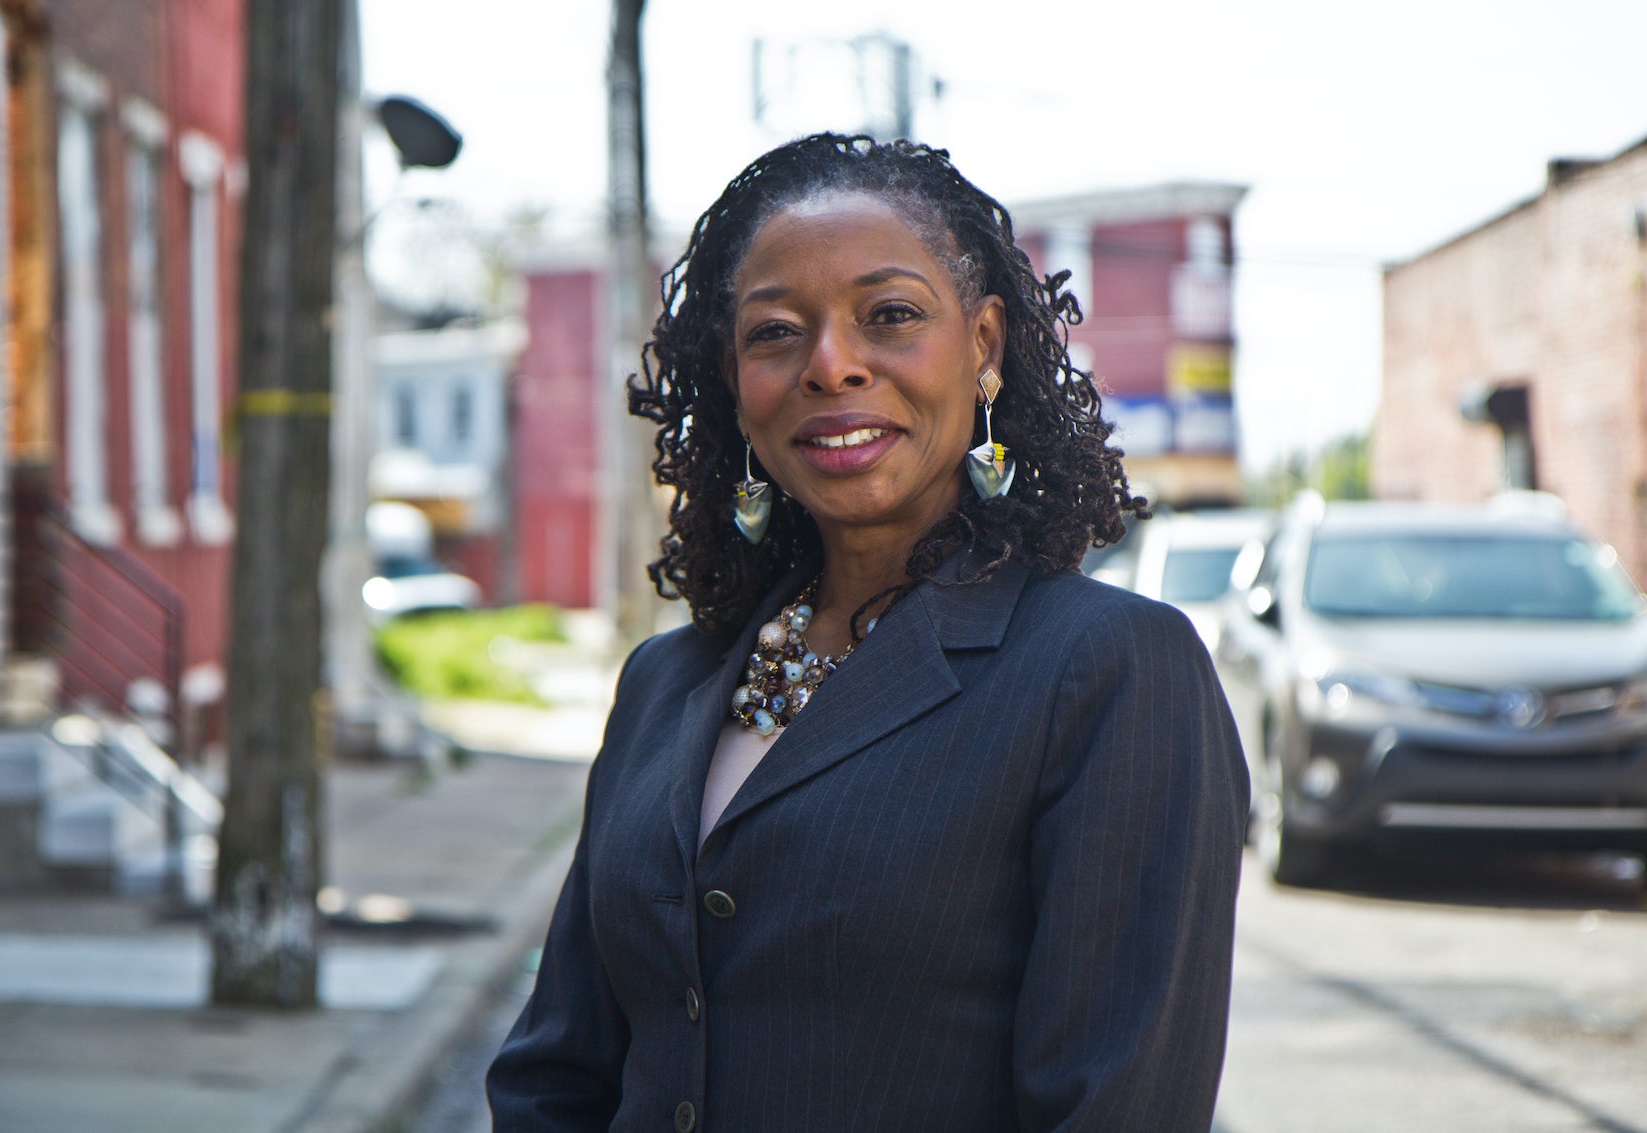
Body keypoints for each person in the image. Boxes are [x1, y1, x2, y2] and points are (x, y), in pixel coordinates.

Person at [486, 132, 1249, 1133]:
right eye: (774, 333)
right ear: (732, 376)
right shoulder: (666, 681)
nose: (830, 365)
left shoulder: (1108, 672)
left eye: (888, 315)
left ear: (981, 345)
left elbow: (1117, 1108)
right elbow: (557, 1068)